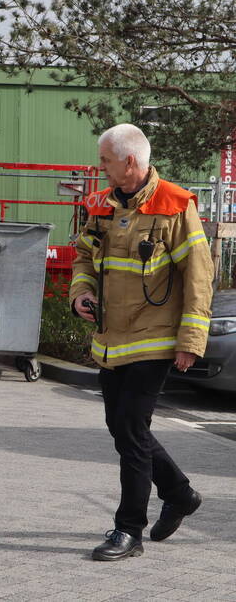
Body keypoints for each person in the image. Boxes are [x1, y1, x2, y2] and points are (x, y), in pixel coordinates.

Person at [71, 123, 211, 561]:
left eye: (105, 162)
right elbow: (83, 256)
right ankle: (179, 493)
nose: (101, 170)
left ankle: (128, 528)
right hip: (112, 339)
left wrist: (191, 339)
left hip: (155, 340)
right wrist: (81, 293)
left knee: (130, 430)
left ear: (129, 161)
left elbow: (199, 278)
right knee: (123, 427)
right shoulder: (102, 206)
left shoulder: (175, 205)